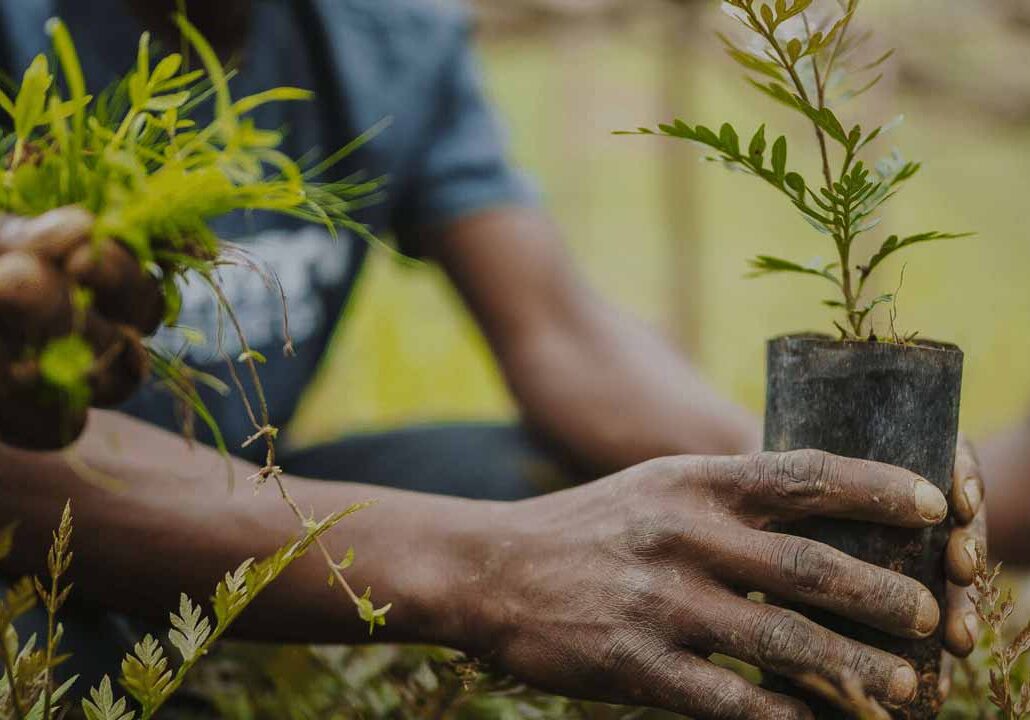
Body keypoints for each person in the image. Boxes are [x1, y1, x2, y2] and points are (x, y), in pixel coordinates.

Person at [0, 1, 986, 717]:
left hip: (239, 484)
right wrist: (488, 571)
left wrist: (786, 490)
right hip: (43, 516)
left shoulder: (383, 39)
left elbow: (558, 331)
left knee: (544, 477)